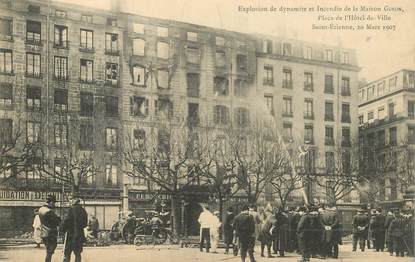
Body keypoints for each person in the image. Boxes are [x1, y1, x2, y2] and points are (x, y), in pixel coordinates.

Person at [61, 195, 88, 262]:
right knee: (78, 254)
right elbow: (84, 224)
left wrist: (62, 229)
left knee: (67, 253)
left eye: (71, 199)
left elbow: (66, 221)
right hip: (79, 235)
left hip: (70, 235)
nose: (70, 201)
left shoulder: (71, 209)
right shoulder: (83, 210)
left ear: (76, 199)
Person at [39, 194, 61, 262]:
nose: (54, 204)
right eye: (54, 202)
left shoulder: (41, 209)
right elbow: (57, 222)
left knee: (48, 251)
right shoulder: (50, 211)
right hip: (50, 234)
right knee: (50, 252)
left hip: (44, 233)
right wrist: (59, 218)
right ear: (51, 202)